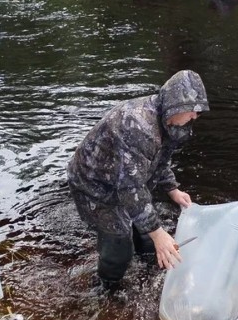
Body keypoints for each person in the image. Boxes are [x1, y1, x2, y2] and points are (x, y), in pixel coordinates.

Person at [67, 70, 209, 284]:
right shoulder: (137, 126)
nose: (195, 117)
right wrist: (158, 233)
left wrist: (173, 189)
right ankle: (107, 288)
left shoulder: (170, 122)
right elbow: (130, 188)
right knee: (119, 247)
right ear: (176, 105)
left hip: (124, 179)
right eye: (193, 110)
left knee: (147, 238)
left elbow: (160, 159)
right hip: (94, 185)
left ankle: (148, 269)